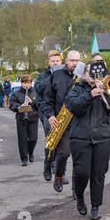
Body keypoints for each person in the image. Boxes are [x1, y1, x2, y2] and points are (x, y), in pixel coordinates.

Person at [66, 61, 110, 220]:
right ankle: (80, 195)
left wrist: (105, 93)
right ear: (84, 74)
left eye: (97, 73)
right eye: (90, 72)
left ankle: (96, 206)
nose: (94, 75)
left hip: (103, 137)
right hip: (80, 137)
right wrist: (90, 94)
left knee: (99, 173)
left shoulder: (108, 89)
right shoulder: (76, 89)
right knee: (82, 172)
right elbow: (73, 106)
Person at [43, 50, 81, 193]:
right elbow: (48, 99)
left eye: (77, 61)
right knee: (64, 153)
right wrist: (50, 115)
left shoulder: (84, 76)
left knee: (79, 157)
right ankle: (58, 175)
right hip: (62, 122)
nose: (75, 63)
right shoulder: (56, 76)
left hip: (79, 122)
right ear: (66, 61)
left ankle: (76, 189)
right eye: (72, 60)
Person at [35, 50, 63, 181]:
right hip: (47, 113)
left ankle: (59, 171)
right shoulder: (43, 76)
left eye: (57, 60)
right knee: (51, 140)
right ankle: (48, 164)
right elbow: (39, 89)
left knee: (62, 143)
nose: (55, 62)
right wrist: (53, 76)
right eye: (53, 61)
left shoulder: (65, 75)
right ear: (49, 62)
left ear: (61, 61)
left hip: (63, 112)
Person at [9, 74, 39, 166]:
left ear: (31, 83)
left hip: (33, 118)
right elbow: (12, 105)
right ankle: (24, 158)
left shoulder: (36, 92)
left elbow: (40, 104)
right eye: (24, 83)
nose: (26, 85)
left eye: (28, 83)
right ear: (21, 83)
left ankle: (31, 152)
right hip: (21, 119)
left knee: (33, 139)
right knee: (22, 140)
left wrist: (32, 102)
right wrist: (19, 107)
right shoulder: (16, 93)